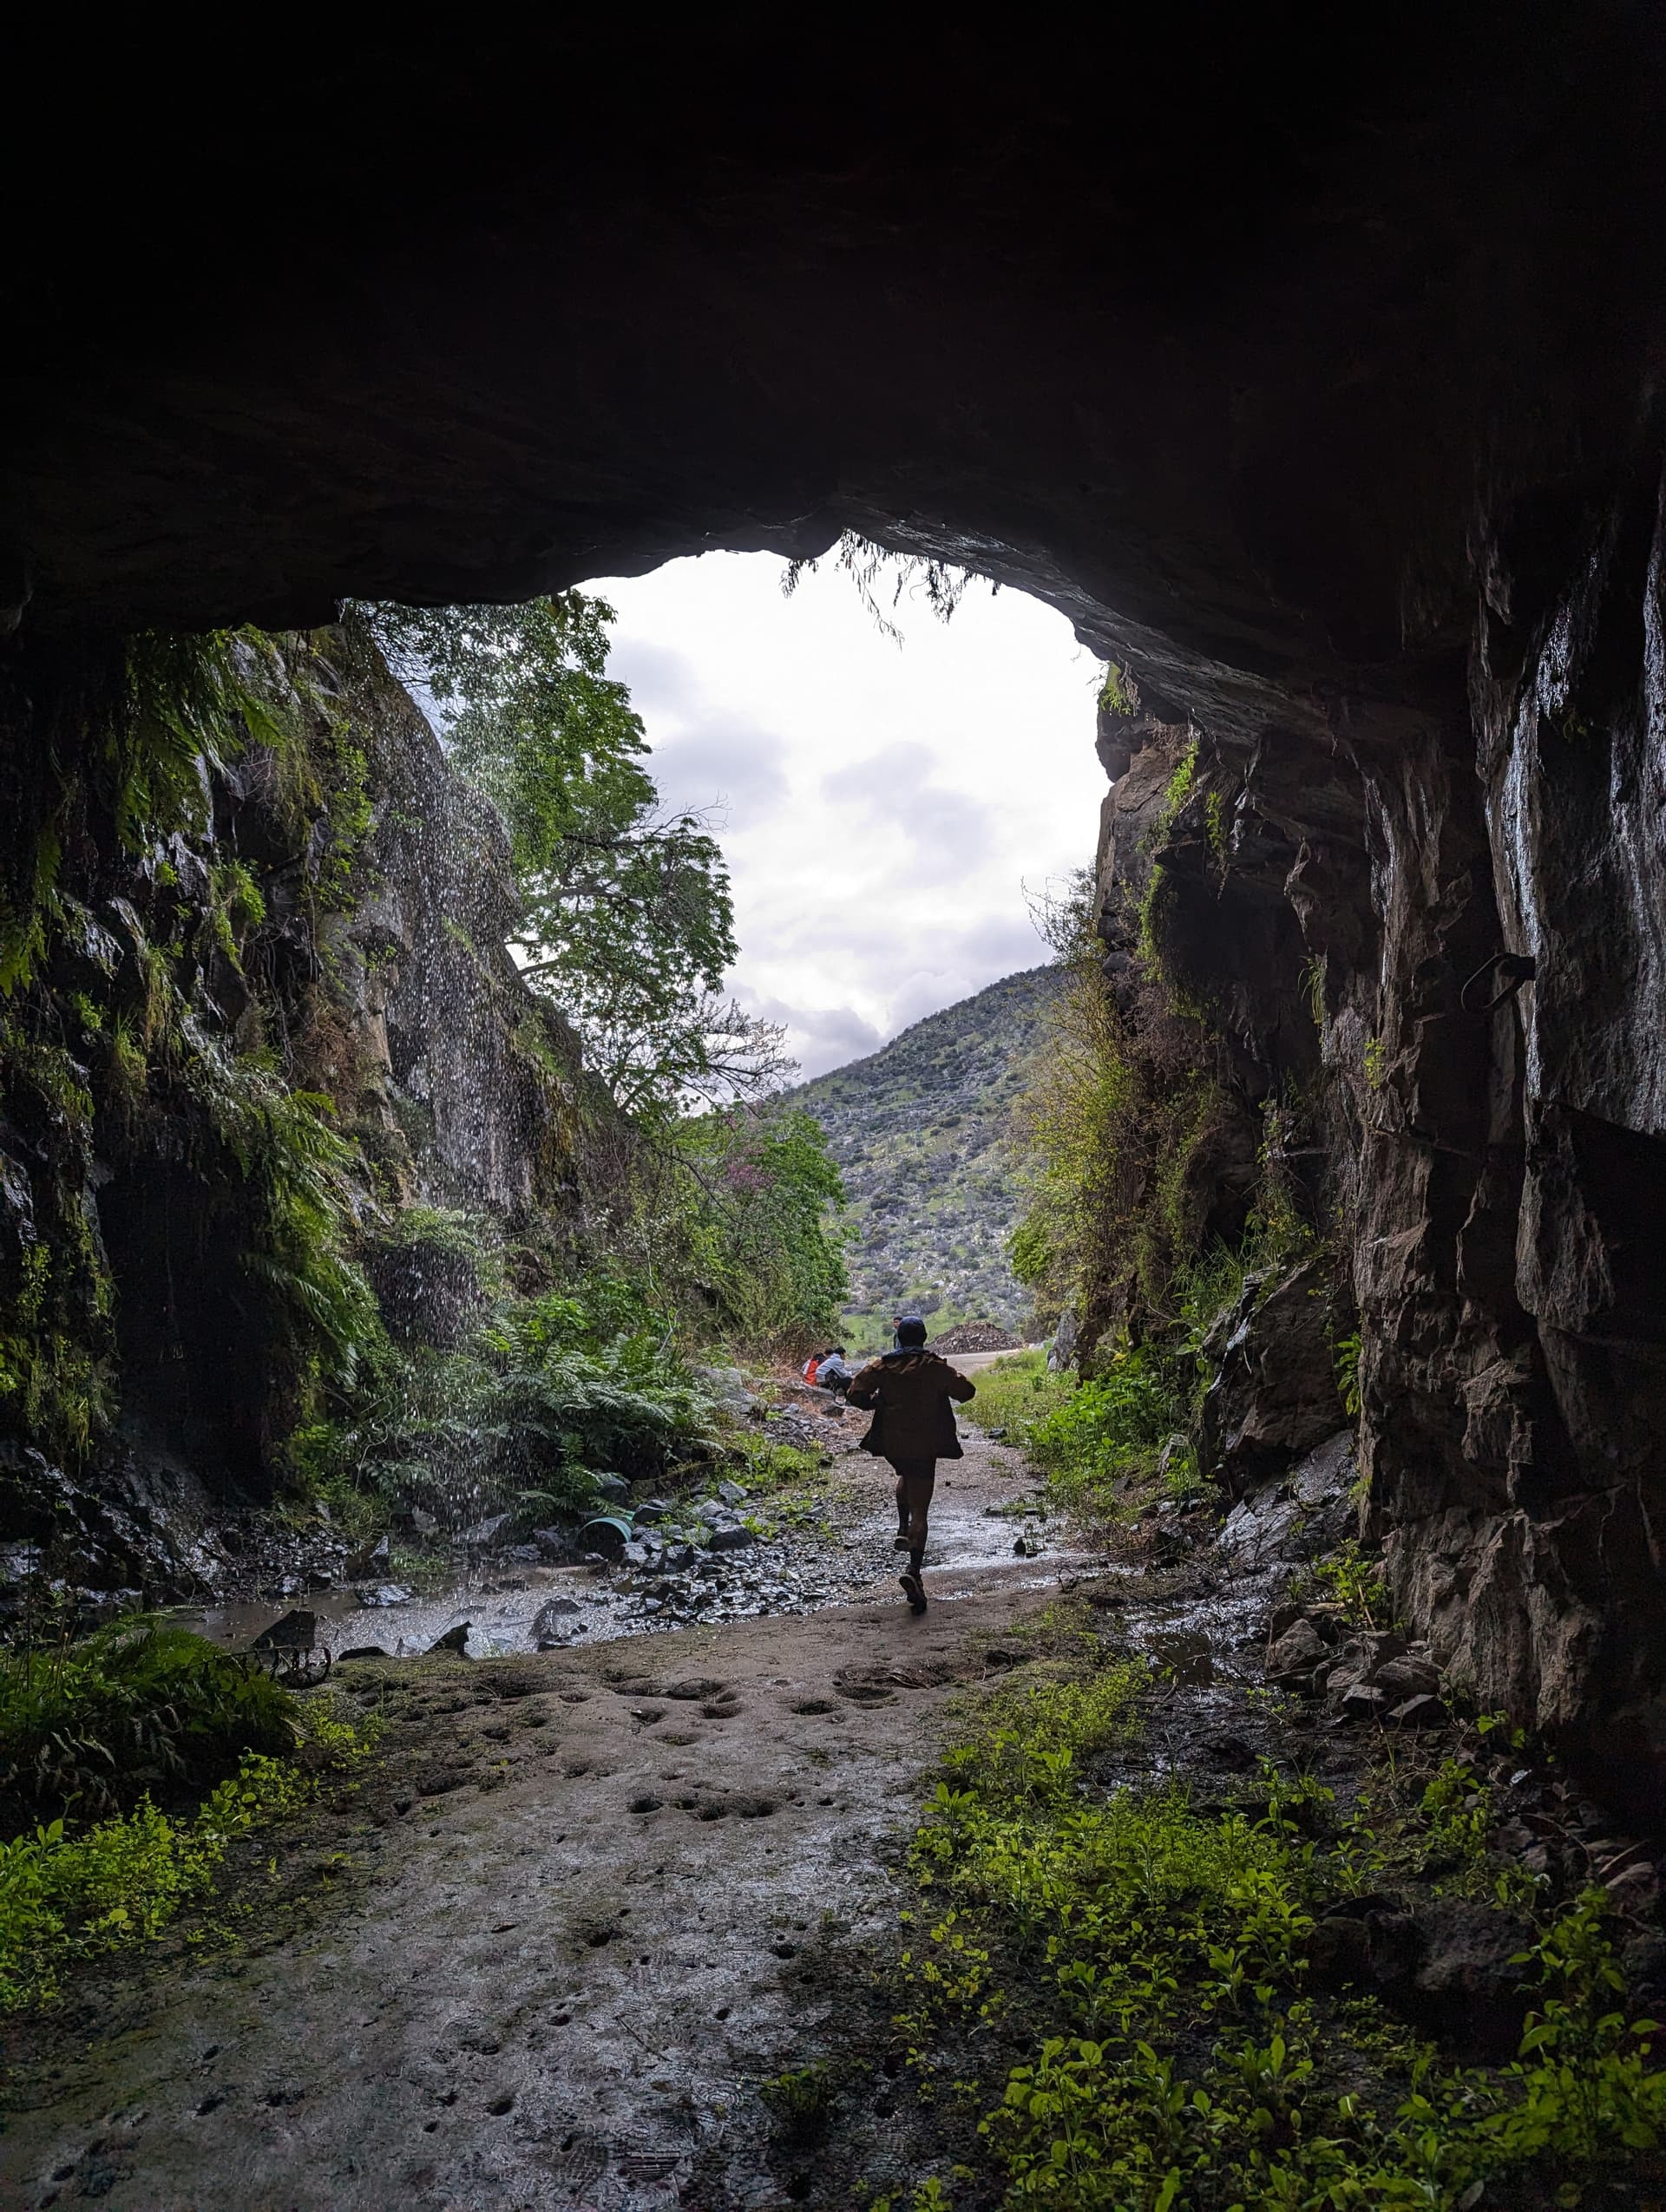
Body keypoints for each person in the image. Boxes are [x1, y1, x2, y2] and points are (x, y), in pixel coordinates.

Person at [845, 1316, 974, 1615]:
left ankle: (902, 1526)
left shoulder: (882, 1366)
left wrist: (877, 1403)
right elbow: (967, 1393)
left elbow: (855, 1393)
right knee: (922, 1506)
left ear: (900, 1339)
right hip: (926, 1441)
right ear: (925, 1337)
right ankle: (914, 1571)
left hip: (892, 1441)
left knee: (905, 1475)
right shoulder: (934, 1367)